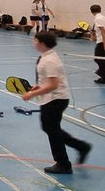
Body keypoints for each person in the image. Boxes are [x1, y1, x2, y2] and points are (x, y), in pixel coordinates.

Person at [21, 31, 91, 175]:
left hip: (55, 99)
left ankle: (64, 164)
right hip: (49, 99)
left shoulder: (50, 60)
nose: (33, 43)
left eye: (35, 41)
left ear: (42, 43)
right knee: (51, 129)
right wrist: (38, 86)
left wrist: (32, 94)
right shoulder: (45, 57)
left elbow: (53, 85)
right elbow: (47, 80)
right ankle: (81, 147)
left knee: (52, 130)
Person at [91, 4, 105, 84]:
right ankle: (104, 77)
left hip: (102, 41)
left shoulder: (98, 18)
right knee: (100, 59)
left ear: (92, 11)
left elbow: (103, 30)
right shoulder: (104, 17)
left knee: (98, 59)